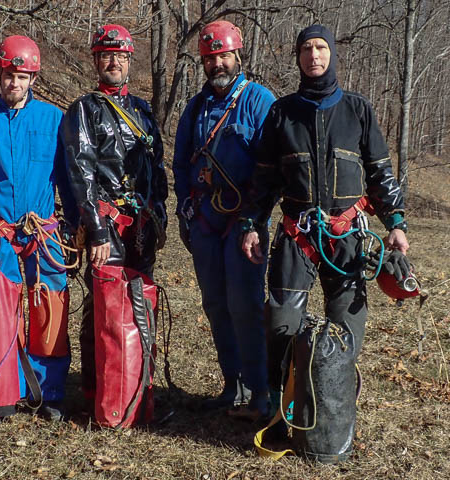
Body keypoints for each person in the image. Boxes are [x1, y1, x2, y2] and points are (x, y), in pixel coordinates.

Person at [241, 25, 409, 416]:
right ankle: (284, 408)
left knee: (348, 323)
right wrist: (252, 224)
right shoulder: (282, 112)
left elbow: (381, 172)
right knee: (281, 319)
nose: (313, 55)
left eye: (320, 48)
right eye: (305, 49)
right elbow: (264, 179)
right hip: (296, 234)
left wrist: (396, 223)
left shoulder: (358, 110)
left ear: (332, 54)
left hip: (347, 235)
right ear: (297, 57)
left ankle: (335, 409)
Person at [0, 35, 77, 421]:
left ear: (33, 78)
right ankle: (2, 390)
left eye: (22, 76)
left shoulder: (53, 119)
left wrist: (77, 226)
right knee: (0, 310)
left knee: (50, 309)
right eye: (9, 75)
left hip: (43, 232)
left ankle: (49, 392)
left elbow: (66, 179)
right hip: (0, 234)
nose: (14, 82)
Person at [60, 24, 168, 408]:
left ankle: (138, 385)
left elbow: (157, 168)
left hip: (141, 224)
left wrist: (161, 214)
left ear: (129, 61)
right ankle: (98, 391)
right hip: (106, 226)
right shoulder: (83, 110)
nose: (113, 63)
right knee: (102, 308)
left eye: (120, 56)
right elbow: (80, 172)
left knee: (140, 304)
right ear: (95, 60)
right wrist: (97, 231)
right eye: (106, 55)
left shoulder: (142, 110)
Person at [173, 20, 275, 417]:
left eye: (223, 55)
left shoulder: (259, 101)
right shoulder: (195, 108)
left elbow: (273, 169)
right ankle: (231, 383)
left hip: (244, 223)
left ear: (238, 56)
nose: (217, 63)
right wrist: (186, 207)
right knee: (215, 304)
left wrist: (254, 217)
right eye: (210, 57)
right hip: (204, 222)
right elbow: (181, 163)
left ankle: (259, 389)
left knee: (246, 304)